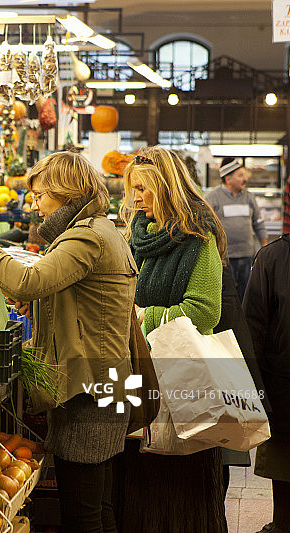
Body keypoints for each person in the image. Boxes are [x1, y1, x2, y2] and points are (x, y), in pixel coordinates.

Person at [0, 151, 136, 533]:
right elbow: (79, 298)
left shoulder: (88, 236)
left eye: (39, 197)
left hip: (89, 386)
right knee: (97, 503)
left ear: (65, 193)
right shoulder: (95, 230)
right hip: (104, 379)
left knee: (83, 510)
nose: (34, 207)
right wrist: (38, 303)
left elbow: (28, 281)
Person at [117, 146, 227, 533]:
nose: (136, 198)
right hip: (141, 374)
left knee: (179, 481)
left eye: (144, 189)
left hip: (183, 378)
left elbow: (204, 311)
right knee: (141, 473)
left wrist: (146, 318)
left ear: (167, 189)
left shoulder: (199, 238)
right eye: (133, 189)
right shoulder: (137, 237)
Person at [243, 234, 290, 533]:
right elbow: (254, 326)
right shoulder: (272, 257)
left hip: (280, 383)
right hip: (283, 387)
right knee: (283, 466)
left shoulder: (272, 257)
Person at [205, 156, 268, 301]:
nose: (245, 178)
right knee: (226, 296)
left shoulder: (249, 197)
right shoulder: (213, 198)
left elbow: (258, 222)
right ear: (228, 179)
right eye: (240, 175)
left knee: (246, 294)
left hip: (247, 255)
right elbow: (205, 226)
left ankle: (244, 322)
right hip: (224, 258)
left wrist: (264, 246)